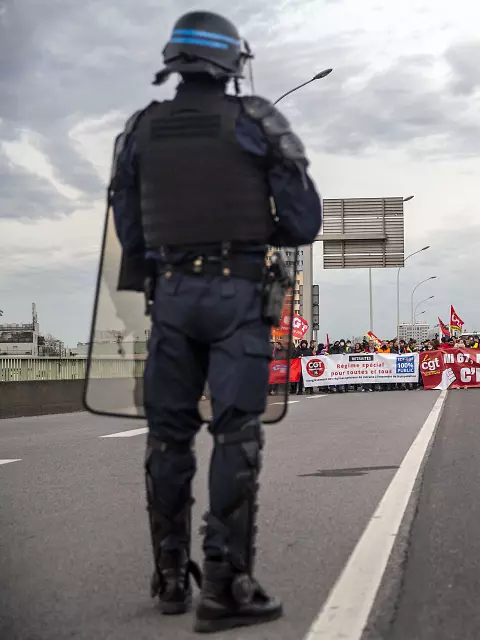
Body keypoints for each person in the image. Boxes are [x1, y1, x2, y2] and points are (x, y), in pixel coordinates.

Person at [109, 10, 323, 633]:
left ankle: (172, 575)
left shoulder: (139, 129)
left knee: (167, 438)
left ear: (174, 62)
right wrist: (260, 229)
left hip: (170, 296)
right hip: (237, 294)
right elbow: (305, 221)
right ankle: (226, 585)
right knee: (236, 436)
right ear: (231, 63)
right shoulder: (258, 119)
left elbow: (129, 230)